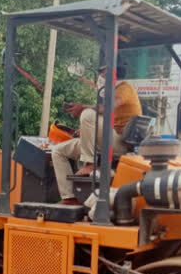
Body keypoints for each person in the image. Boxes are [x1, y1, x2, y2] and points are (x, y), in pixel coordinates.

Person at [52, 65, 142, 205]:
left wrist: (83, 108)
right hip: (106, 139)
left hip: (120, 142)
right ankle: (69, 197)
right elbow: (105, 120)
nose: (100, 77)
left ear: (114, 73)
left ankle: (90, 163)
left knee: (88, 114)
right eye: (99, 73)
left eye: (103, 73)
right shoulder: (111, 92)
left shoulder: (124, 88)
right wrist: (83, 131)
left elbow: (108, 108)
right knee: (58, 151)